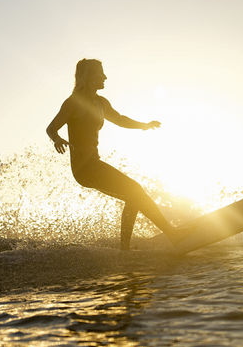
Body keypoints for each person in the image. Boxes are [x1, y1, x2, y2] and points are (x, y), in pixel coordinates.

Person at [46, 59, 178, 250]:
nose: (105, 77)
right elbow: (51, 128)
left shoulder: (101, 103)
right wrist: (57, 139)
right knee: (135, 191)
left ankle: (125, 250)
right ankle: (172, 234)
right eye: (101, 73)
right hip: (84, 169)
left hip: (94, 163)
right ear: (88, 77)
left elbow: (120, 119)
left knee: (134, 195)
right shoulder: (73, 103)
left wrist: (144, 125)